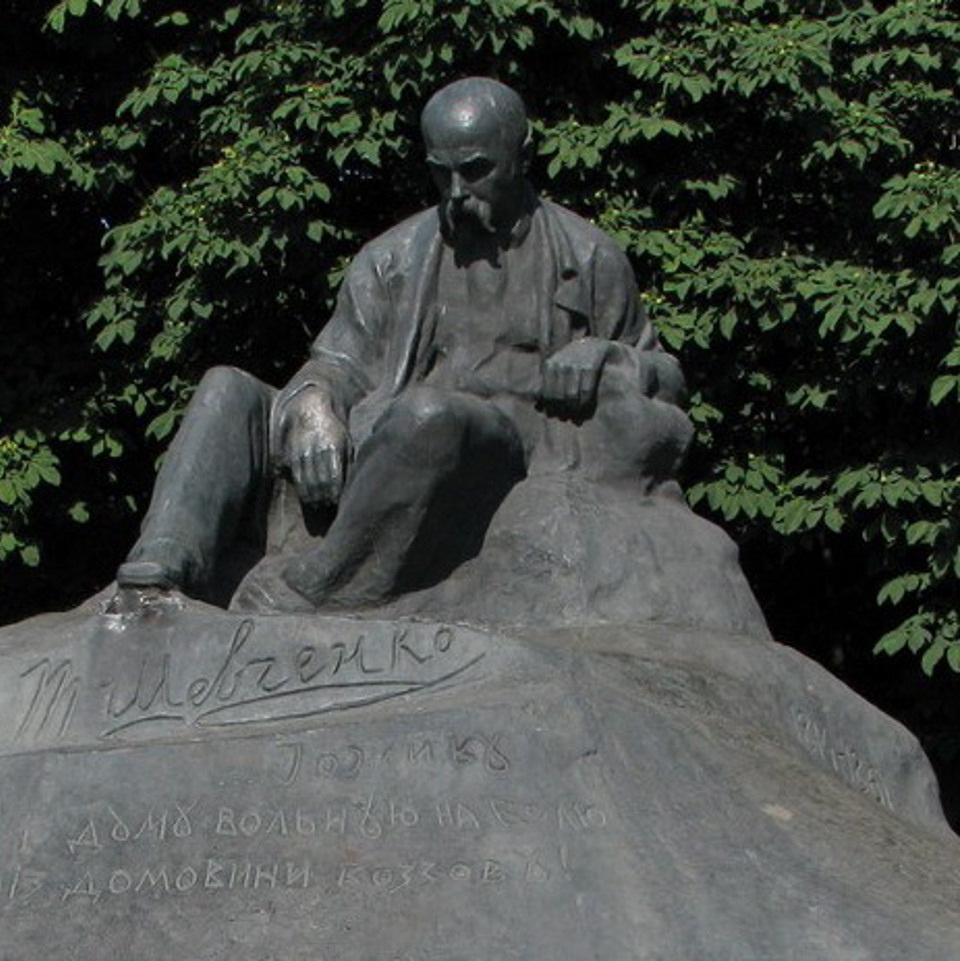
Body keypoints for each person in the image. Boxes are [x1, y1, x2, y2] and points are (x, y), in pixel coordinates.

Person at [115, 77, 688, 611]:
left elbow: (666, 379)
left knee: (430, 413)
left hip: (489, 462)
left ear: (524, 156)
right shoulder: (391, 259)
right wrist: (314, 402)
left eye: (476, 171)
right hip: (375, 444)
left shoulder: (589, 257)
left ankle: (317, 592)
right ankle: (166, 563)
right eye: (442, 174)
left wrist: (605, 355)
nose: (457, 193)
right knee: (226, 389)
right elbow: (338, 364)